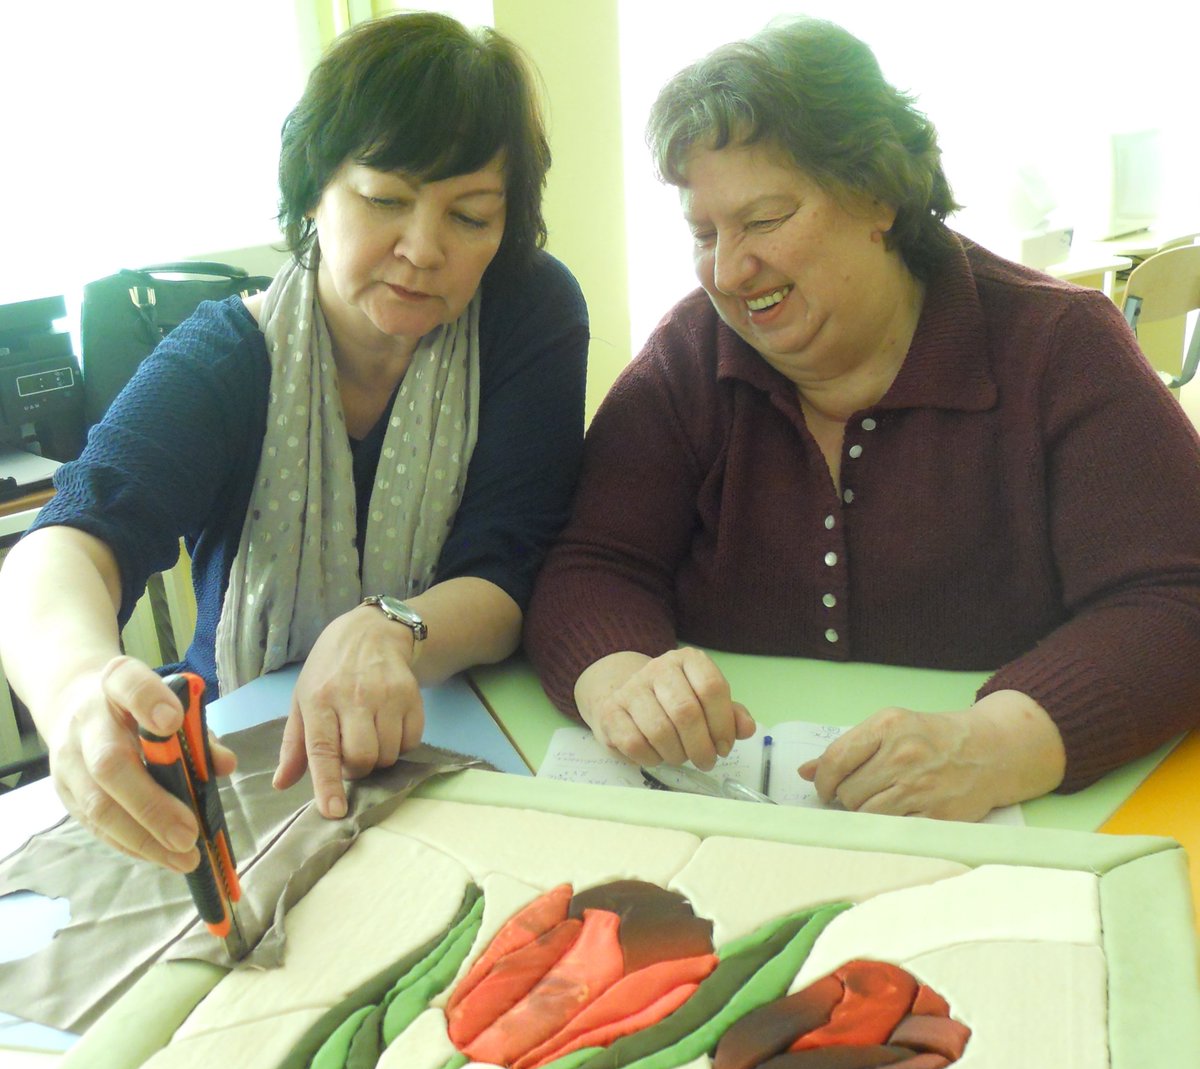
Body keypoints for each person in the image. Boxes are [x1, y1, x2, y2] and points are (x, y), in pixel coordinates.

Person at [524, 17, 1200, 821]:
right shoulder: (690, 355)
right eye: (704, 233)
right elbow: (591, 563)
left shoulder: (1061, 347)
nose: (730, 270)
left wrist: (996, 743)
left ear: (875, 196)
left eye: (765, 220)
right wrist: (622, 676)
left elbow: (1174, 596)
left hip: (1011, 829)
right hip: (732, 814)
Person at [0, 13, 588, 870]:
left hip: (462, 727)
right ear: (316, 191)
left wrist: (392, 627)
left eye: (470, 216)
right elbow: (67, 540)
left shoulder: (526, 316)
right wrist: (75, 687)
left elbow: (508, 570)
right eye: (386, 199)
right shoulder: (232, 357)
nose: (423, 249)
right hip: (250, 744)